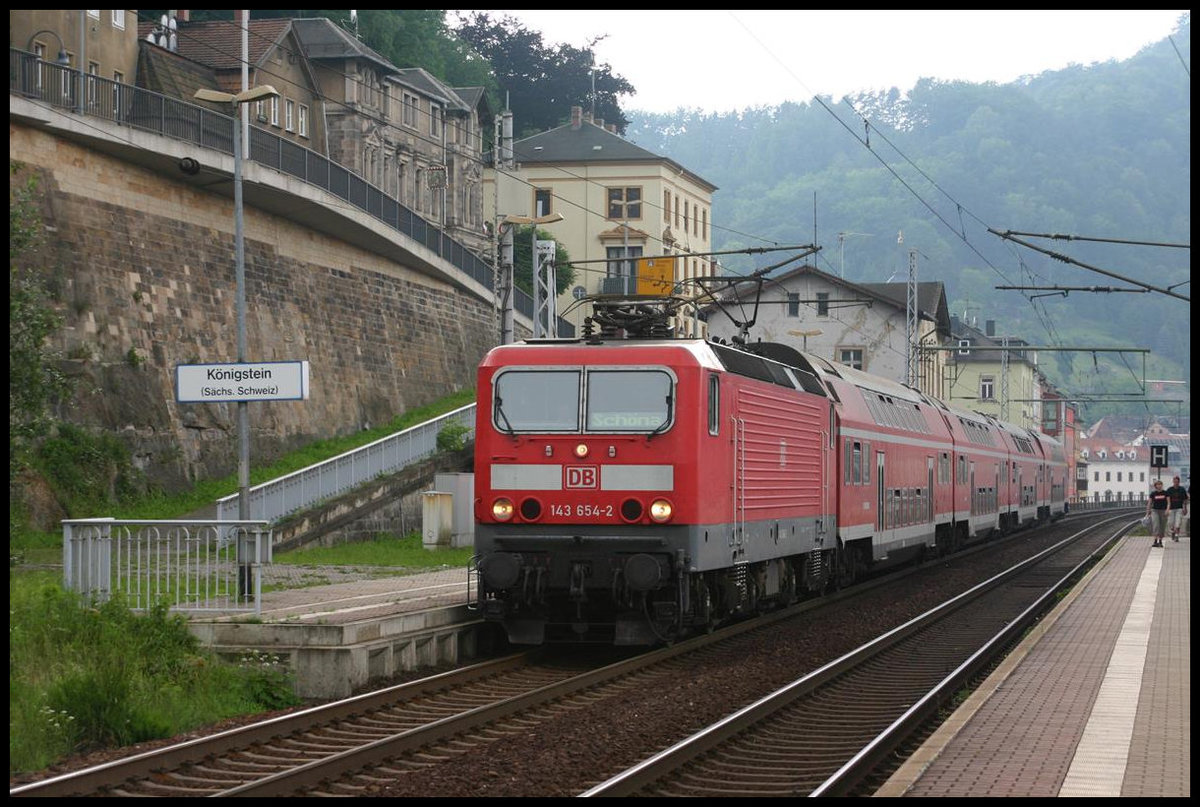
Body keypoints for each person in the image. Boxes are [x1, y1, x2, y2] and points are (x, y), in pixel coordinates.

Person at [1164, 476, 1189, 542]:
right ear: (1173, 482)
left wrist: (1185, 508)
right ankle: (1173, 532)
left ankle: (1177, 536)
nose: (1176, 483)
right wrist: (1167, 509)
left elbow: (1185, 500)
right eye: (1175, 482)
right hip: (1171, 508)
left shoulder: (1182, 489)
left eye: (1177, 482)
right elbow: (1167, 500)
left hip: (1179, 508)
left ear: (1179, 482)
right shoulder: (1169, 490)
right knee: (1170, 523)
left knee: (1178, 523)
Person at [1146, 479, 1169, 547]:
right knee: (1156, 525)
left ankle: (1160, 541)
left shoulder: (1165, 493)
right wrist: (1148, 512)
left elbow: (1168, 502)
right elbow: (1149, 503)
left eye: (1160, 484)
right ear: (1155, 486)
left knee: (1162, 526)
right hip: (1155, 511)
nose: (1159, 486)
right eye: (1157, 484)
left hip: (1163, 511)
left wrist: (1167, 510)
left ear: (1162, 485)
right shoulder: (1153, 494)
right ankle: (1155, 540)